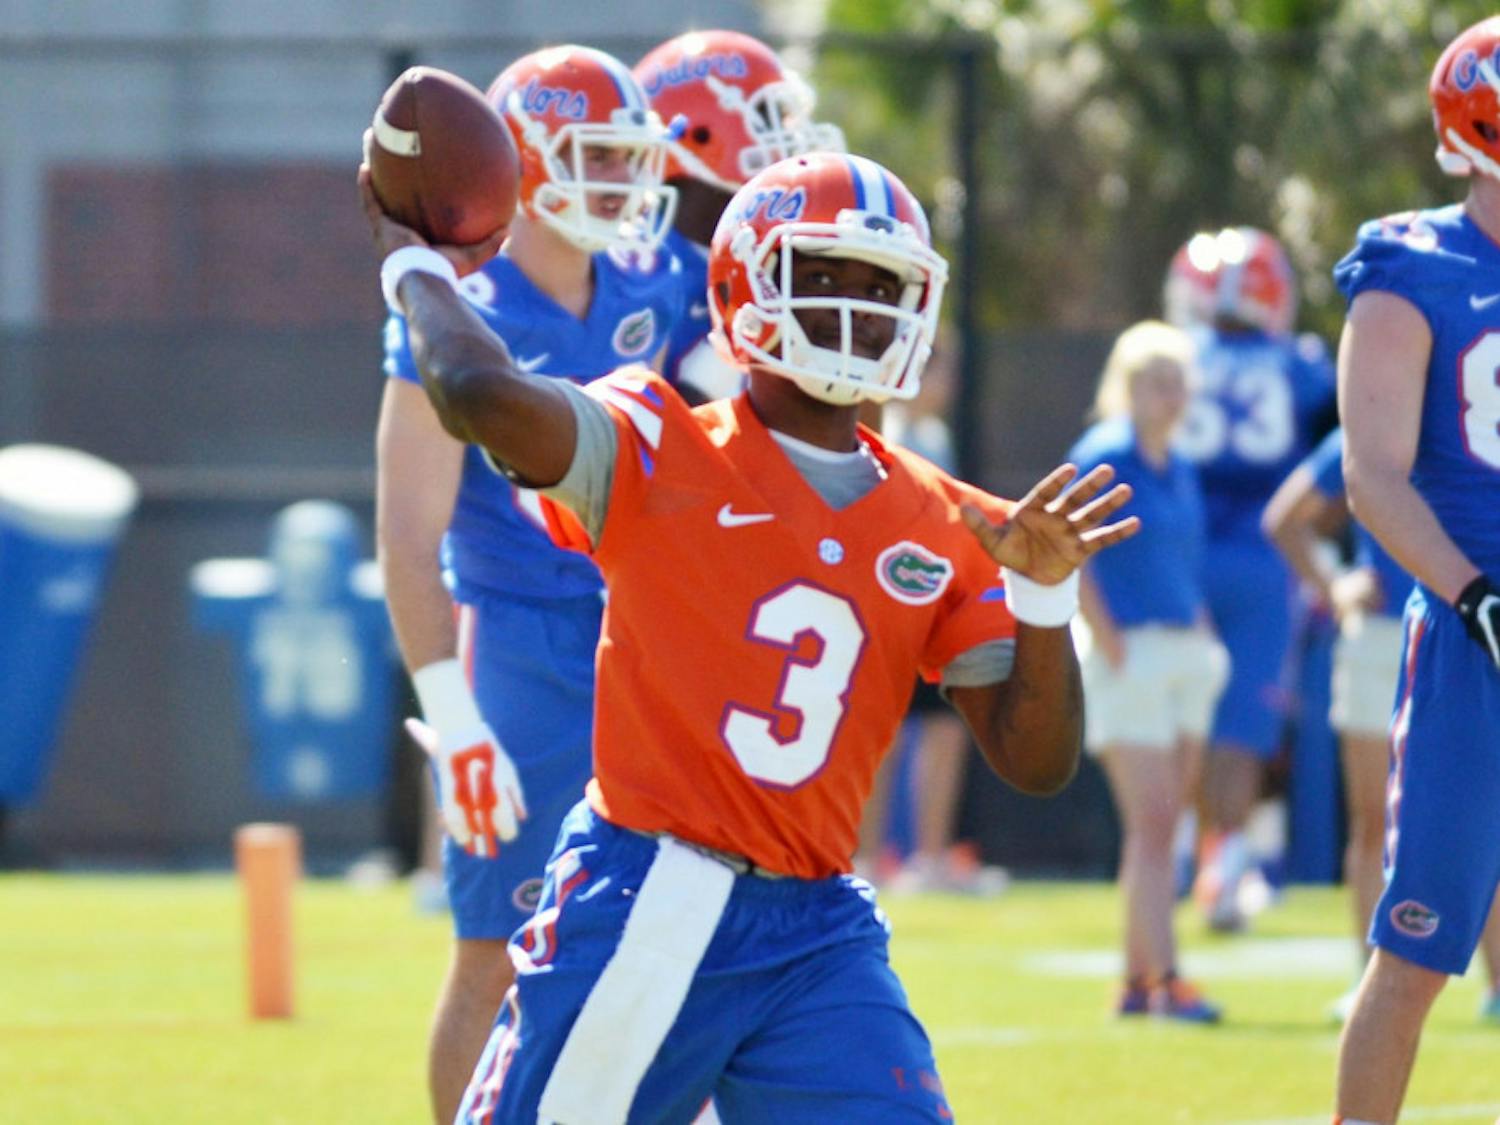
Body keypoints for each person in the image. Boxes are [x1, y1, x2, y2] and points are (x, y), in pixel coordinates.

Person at [359, 149, 1139, 1121]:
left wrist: (1045, 603)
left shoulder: (951, 520)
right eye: (818, 274)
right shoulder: (656, 440)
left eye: (879, 283)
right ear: (744, 288)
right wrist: (414, 270)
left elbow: (1037, 762)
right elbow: (476, 394)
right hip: (647, 892)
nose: (854, 304)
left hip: (818, 927)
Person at [375, 45, 682, 1124]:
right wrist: (453, 716)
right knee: (494, 953)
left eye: (630, 158)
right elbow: (408, 534)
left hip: (651, 641)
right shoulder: (463, 300)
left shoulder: (659, 275)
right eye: (597, 157)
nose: (624, 182)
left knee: (674, 945)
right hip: (518, 643)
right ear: (526, 164)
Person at [1329, 16, 1500, 1122]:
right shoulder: (1414, 266)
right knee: (1421, 948)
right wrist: (1481, 601)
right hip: (1471, 640)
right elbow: (1372, 478)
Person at [1265, 427, 1500, 1027]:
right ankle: (1366, 975)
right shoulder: (1372, 422)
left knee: (1486, 817)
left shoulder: (1478, 413)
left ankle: (1496, 983)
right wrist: (1335, 585)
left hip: (1476, 636)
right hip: (1382, 638)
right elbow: (1286, 519)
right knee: (1376, 818)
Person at [1163, 225, 1336, 932]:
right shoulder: (1301, 367)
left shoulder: (1176, 358)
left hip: (1185, 552)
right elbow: (1345, 460)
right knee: (1243, 724)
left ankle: (1178, 850)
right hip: (1267, 561)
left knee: (1177, 711)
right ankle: (1226, 864)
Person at [1067, 320, 1229, 1021]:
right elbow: (1066, 550)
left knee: (1163, 827)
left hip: (1183, 653)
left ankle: (1140, 980)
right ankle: (1164, 978)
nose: (1172, 394)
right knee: (1155, 818)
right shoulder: (1104, 455)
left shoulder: (1180, 464)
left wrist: (1199, 627)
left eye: (1178, 381)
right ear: (1128, 386)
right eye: (1158, 381)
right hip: (1131, 653)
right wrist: (1108, 638)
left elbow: (1179, 561)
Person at [633, 29, 845, 403]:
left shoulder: (783, 256)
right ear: (700, 134)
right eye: (770, 119)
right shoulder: (640, 269)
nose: (792, 138)